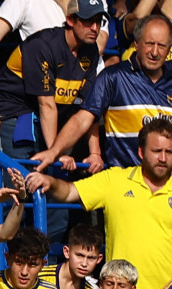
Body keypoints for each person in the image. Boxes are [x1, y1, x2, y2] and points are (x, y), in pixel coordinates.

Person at [26, 117, 172, 289]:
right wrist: (50, 181)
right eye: (157, 151)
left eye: (169, 152)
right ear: (141, 152)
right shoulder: (115, 180)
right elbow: (69, 193)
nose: (163, 158)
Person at [32, 14, 172, 172]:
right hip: (125, 182)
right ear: (136, 44)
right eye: (149, 44)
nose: (155, 52)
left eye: (161, 46)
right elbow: (82, 120)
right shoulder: (113, 77)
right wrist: (54, 151)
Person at [0, 0, 103, 163]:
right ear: (71, 20)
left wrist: (95, 153)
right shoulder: (42, 45)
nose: (95, 28)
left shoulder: (91, 49)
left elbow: (88, 107)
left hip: (50, 117)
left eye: (99, 21)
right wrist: (55, 152)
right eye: (88, 20)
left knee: (49, 180)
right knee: (20, 181)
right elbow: (46, 105)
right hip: (15, 113)